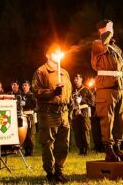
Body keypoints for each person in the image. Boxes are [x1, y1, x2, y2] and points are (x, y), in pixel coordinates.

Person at [91, 19, 123, 162]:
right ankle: (108, 149)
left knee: (119, 120)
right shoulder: (97, 44)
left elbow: (121, 69)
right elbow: (103, 44)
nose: (112, 30)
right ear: (102, 30)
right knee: (107, 120)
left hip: (119, 88)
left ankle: (117, 147)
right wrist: (107, 32)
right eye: (109, 28)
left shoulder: (116, 48)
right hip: (106, 88)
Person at [33, 44, 73, 184]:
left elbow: (69, 92)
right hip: (49, 113)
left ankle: (59, 171)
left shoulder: (64, 72)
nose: (57, 55)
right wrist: (52, 92)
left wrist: (70, 103)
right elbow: (36, 92)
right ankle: (50, 173)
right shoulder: (41, 71)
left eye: (59, 52)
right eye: (54, 53)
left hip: (64, 113)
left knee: (63, 144)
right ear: (47, 55)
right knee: (48, 144)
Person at [71, 74, 94, 155]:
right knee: (77, 132)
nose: (76, 80)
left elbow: (92, 101)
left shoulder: (86, 90)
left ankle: (86, 149)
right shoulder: (73, 91)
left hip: (84, 113)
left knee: (85, 131)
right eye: (75, 78)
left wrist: (82, 100)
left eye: (77, 78)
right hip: (75, 114)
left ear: (81, 79)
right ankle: (80, 149)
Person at [19, 80, 37, 156]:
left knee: (30, 134)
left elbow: (35, 104)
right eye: (23, 85)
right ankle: (26, 150)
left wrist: (26, 103)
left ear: (29, 86)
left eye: (26, 85)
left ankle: (31, 150)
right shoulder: (21, 95)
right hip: (23, 116)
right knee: (24, 134)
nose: (24, 87)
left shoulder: (32, 95)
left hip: (30, 116)